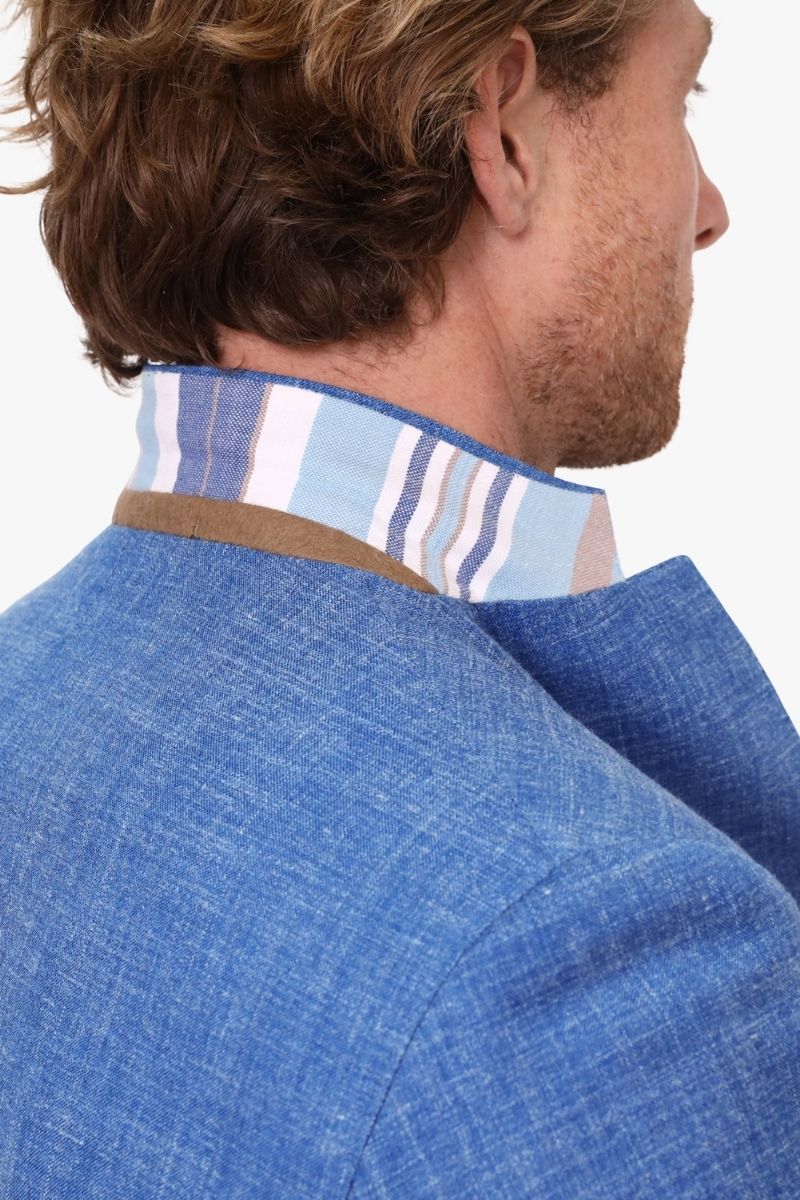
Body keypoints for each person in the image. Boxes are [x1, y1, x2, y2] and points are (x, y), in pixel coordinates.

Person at [0, 0, 797, 1195]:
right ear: (503, 131)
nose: (709, 207)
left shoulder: (22, 696)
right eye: (679, 96)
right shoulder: (599, 955)